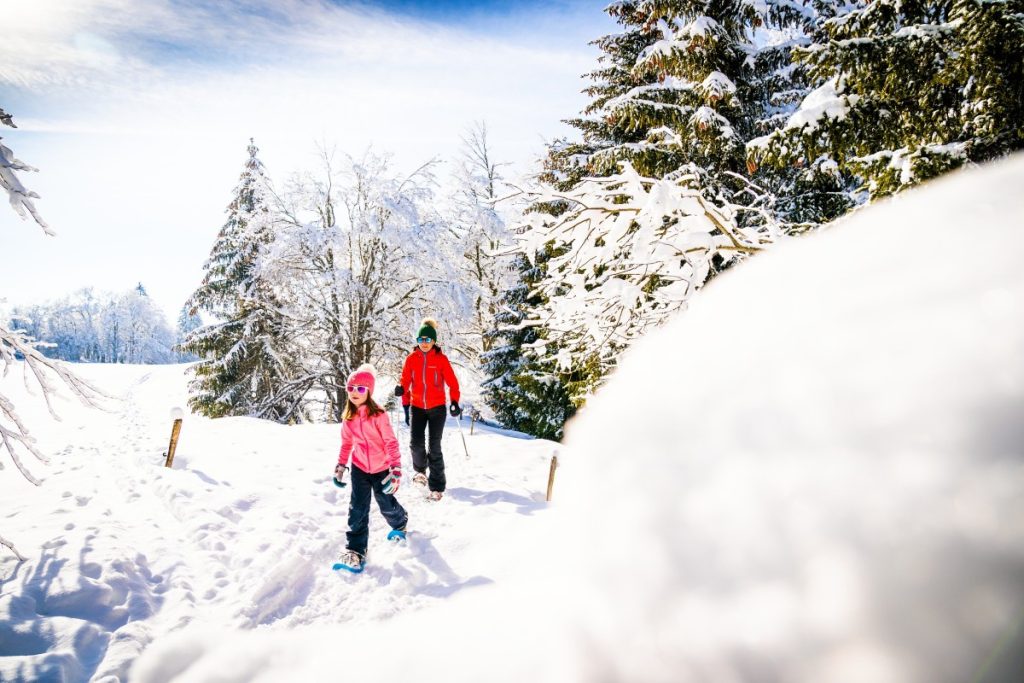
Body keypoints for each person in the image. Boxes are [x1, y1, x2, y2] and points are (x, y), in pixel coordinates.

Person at [332, 363, 407, 574]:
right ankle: (355, 551)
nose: (355, 393)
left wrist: (396, 469)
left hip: (382, 466)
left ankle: (400, 521)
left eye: (361, 389)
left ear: (369, 392)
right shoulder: (349, 417)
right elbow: (346, 443)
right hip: (359, 468)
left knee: (385, 502)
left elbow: (391, 443)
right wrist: (340, 466)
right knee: (357, 507)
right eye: (351, 388)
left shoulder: (379, 416)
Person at [395, 318, 461, 501]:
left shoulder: (441, 360)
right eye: (421, 340)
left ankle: (437, 486)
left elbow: (452, 383)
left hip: (437, 408)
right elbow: (405, 381)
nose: (424, 343)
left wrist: (454, 401)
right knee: (416, 444)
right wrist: (402, 391)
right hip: (417, 407)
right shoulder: (411, 359)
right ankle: (420, 472)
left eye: (427, 340)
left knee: (434, 446)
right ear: (417, 341)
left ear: (434, 341)